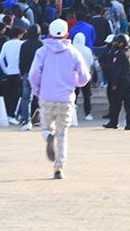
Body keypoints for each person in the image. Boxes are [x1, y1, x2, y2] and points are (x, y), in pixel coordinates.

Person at [28, 19, 91, 180]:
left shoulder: (42, 51)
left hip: (46, 96)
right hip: (66, 98)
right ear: (67, 34)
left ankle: (48, 136)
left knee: (45, 128)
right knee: (62, 134)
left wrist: (37, 90)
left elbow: (34, 74)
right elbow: (84, 77)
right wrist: (75, 81)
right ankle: (59, 168)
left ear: (49, 33)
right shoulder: (73, 52)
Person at [103, 34, 130, 130]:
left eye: (117, 42)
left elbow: (116, 70)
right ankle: (129, 123)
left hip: (121, 81)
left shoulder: (120, 54)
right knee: (128, 103)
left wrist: (114, 83)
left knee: (116, 103)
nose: (114, 43)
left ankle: (114, 122)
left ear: (122, 43)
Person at [18, 24, 43, 130]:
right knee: (41, 97)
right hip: (40, 74)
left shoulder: (24, 45)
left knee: (26, 98)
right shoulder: (42, 45)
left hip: (28, 73)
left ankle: (26, 120)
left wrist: (21, 73)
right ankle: (38, 117)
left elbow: (21, 61)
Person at [0, 26, 25, 123]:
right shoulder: (22, 44)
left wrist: (5, 70)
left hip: (9, 73)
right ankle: (13, 115)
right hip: (19, 73)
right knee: (18, 95)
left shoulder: (6, 44)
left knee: (10, 95)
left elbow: (1, 58)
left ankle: (10, 114)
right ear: (19, 35)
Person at [71, 33, 94, 121]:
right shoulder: (87, 50)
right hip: (85, 74)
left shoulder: (71, 49)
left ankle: (72, 112)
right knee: (87, 95)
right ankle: (88, 113)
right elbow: (91, 62)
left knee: (73, 94)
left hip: (73, 75)